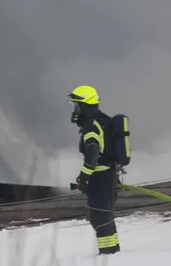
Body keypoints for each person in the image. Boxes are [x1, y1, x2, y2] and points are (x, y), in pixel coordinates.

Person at [70, 85, 120, 255]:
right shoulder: (102, 121)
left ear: (84, 105)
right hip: (108, 175)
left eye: (76, 105)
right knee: (105, 216)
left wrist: (84, 176)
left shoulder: (91, 126)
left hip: (99, 178)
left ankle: (108, 254)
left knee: (99, 217)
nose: (74, 109)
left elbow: (93, 152)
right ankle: (112, 250)